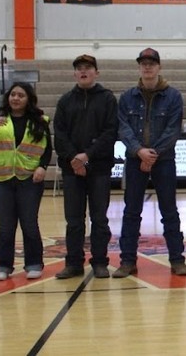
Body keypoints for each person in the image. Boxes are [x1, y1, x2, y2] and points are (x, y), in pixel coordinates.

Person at [114, 48, 186, 277]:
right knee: (131, 212)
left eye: (151, 63)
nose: (147, 67)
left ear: (159, 66)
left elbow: (173, 130)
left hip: (164, 161)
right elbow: (123, 128)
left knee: (169, 211)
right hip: (135, 160)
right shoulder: (127, 97)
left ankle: (177, 260)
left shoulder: (174, 96)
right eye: (143, 63)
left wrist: (152, 154)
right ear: (139, 67)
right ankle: (127, 261)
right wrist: (139, 152)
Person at [0, 82, 51, 281]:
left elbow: (48, 148)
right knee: (6, 226)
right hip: (2, 179)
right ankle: (3, 265)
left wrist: (43, 166)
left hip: (29, 179)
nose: (16, 98)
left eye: (21, 95)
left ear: (29, 100)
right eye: (13, 94)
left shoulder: (40, 120)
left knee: (29, 224)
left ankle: (34, 263)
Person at [53, 55, 118, 279]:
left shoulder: (107, 99)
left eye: (88, 68)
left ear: (96, 73)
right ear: (74, 74)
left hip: (99, 169)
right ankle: (73, 263)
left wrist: (87, 156)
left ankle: (100, 262)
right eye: (79, 68)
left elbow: (110, 132)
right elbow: (59, 136)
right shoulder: (65, 101)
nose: (83, 71)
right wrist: (75, 158)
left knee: (99, 219)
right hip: (72, 170)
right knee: (74, 220)